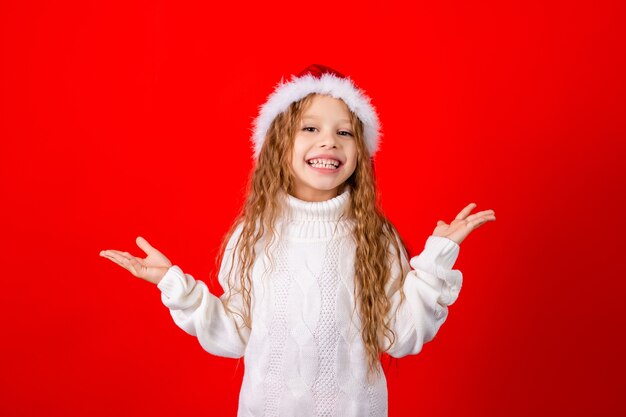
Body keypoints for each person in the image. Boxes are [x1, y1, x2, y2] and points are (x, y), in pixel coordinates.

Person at [99, 64, 496, 416]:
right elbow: (235, 333)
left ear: (361, 151)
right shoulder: (253, 236)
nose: (329, 142)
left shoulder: (375, 236)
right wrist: (175, 284)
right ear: (278, 145)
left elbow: (401, 334)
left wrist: (436, 260)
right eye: (310, 128)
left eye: (344, 132)